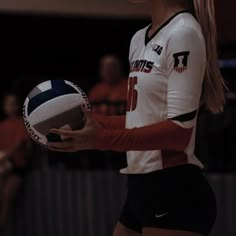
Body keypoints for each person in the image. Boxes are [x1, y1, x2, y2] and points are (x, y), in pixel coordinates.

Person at [47, 0, 225, 235]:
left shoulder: (184, 32)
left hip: (173, 188)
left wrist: (100, 140)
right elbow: (141, 118)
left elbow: (180, 132)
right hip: (141, 186)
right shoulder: (139, 38)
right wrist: (85, 123)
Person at [0, 93, 31, 231]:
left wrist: (5, 158)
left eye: (14, 103)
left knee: (7, 199)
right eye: (8, 104)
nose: (11, 107)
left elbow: (19, 144)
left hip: (17, 167)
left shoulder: (22, 124)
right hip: (3, 166)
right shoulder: (2, 125)